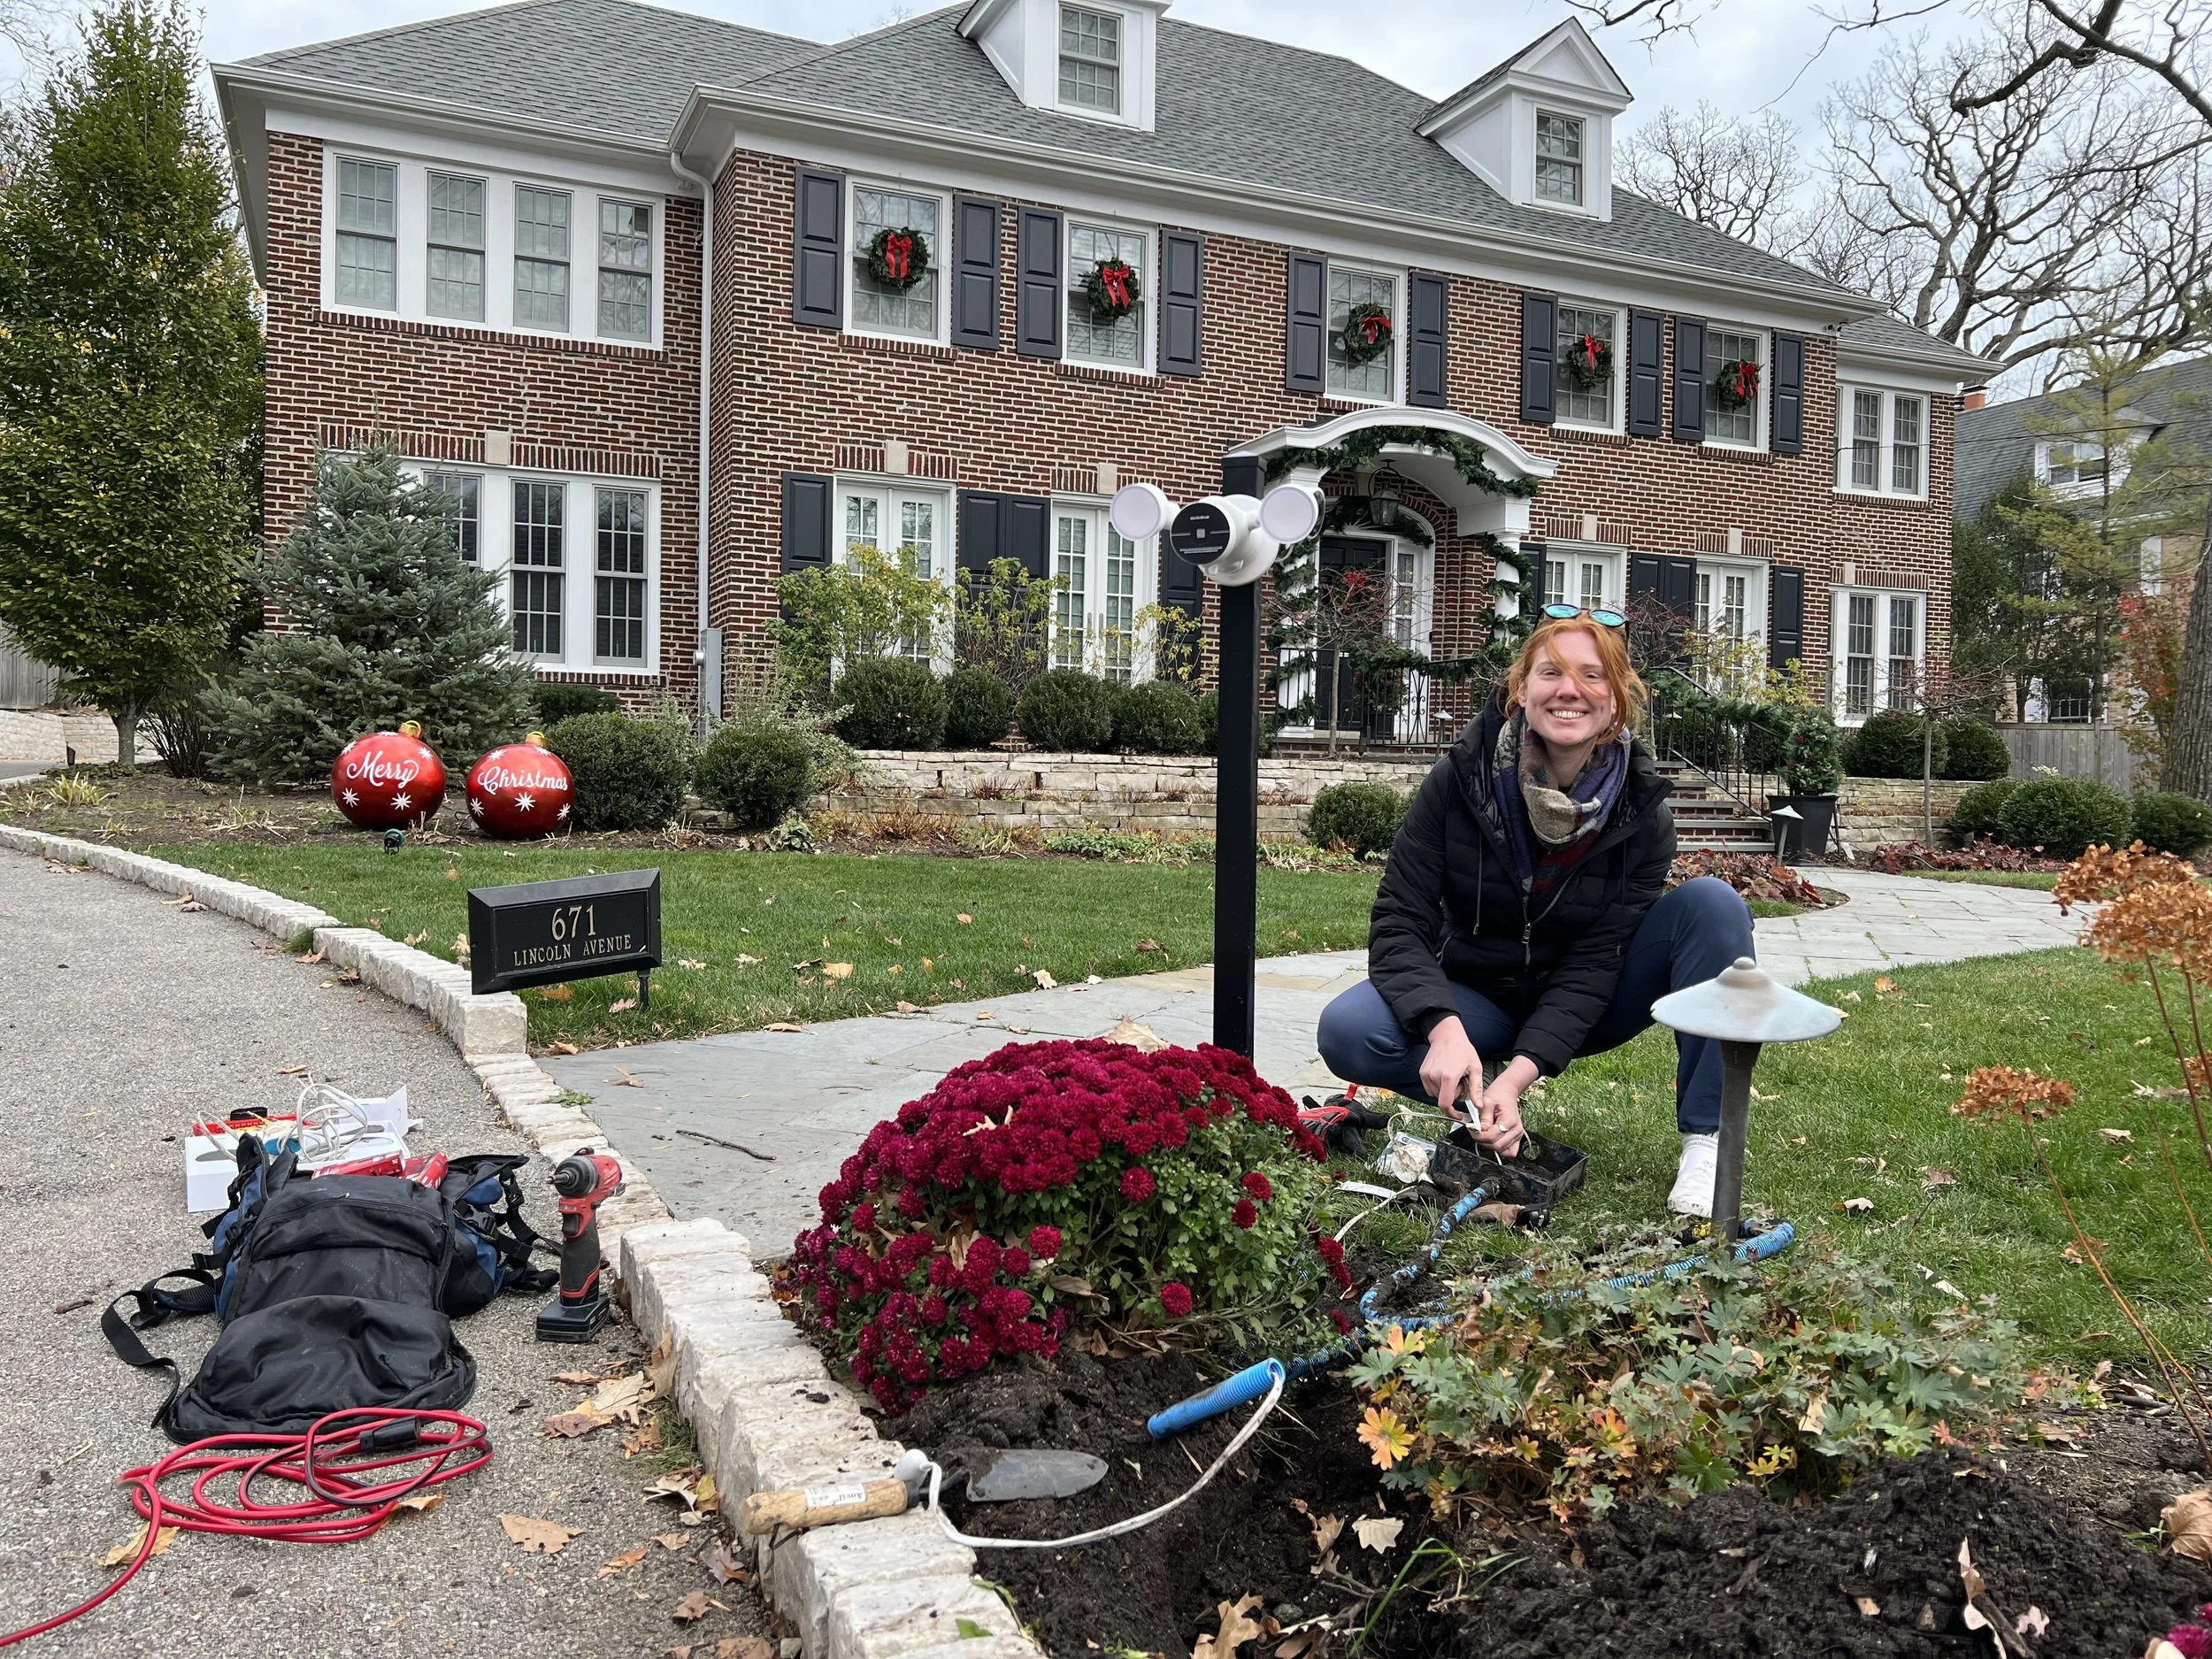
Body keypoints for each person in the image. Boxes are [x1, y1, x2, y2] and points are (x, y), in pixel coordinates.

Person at [1315, 608, 1755, 1217]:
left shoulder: (1641, 815)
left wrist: (1523, 1076)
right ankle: (1476, 1087)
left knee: (1713, 906)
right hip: (1478, 994)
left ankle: (1707, 1143)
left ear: (1617, 700)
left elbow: (1598, 961)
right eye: (1551, 672)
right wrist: (1443, 1028)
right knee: (1348, 1028)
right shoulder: (1459, 781)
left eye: (1592, 676)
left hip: (1588, 1002)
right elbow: (1399, 918)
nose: (1570, 690)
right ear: (1522, 688)